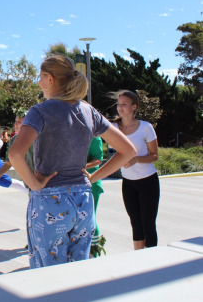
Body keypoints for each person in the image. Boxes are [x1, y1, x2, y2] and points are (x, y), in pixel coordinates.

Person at [8, 55, 136, 268]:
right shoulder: (88, 111)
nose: (38, 82)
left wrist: (35, 184)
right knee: (77, 272)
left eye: (40, 77)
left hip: (50, 200)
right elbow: (128, 150)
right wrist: (93, 177)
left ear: (49, 79)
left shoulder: (40, 111)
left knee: (47, 274)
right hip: (83, 200)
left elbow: (15, 154)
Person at [111, 90, 160, 250]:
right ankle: (137, 259)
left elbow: (154, 155)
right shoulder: (113, 128)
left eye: (124, 104)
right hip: (128, 183)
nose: (120, 107)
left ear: (134, 107)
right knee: (135, 223)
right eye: (118, 104)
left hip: (148, 182)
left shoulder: (146, 127)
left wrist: (135, 159)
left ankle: (152, 263)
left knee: (148, 223)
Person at [85, 137, 106, 257]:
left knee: (91, 216)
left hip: (92, 183)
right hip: (78, 182)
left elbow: (98, 159)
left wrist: (80, 166)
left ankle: (94, 250)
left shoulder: (94, 138)